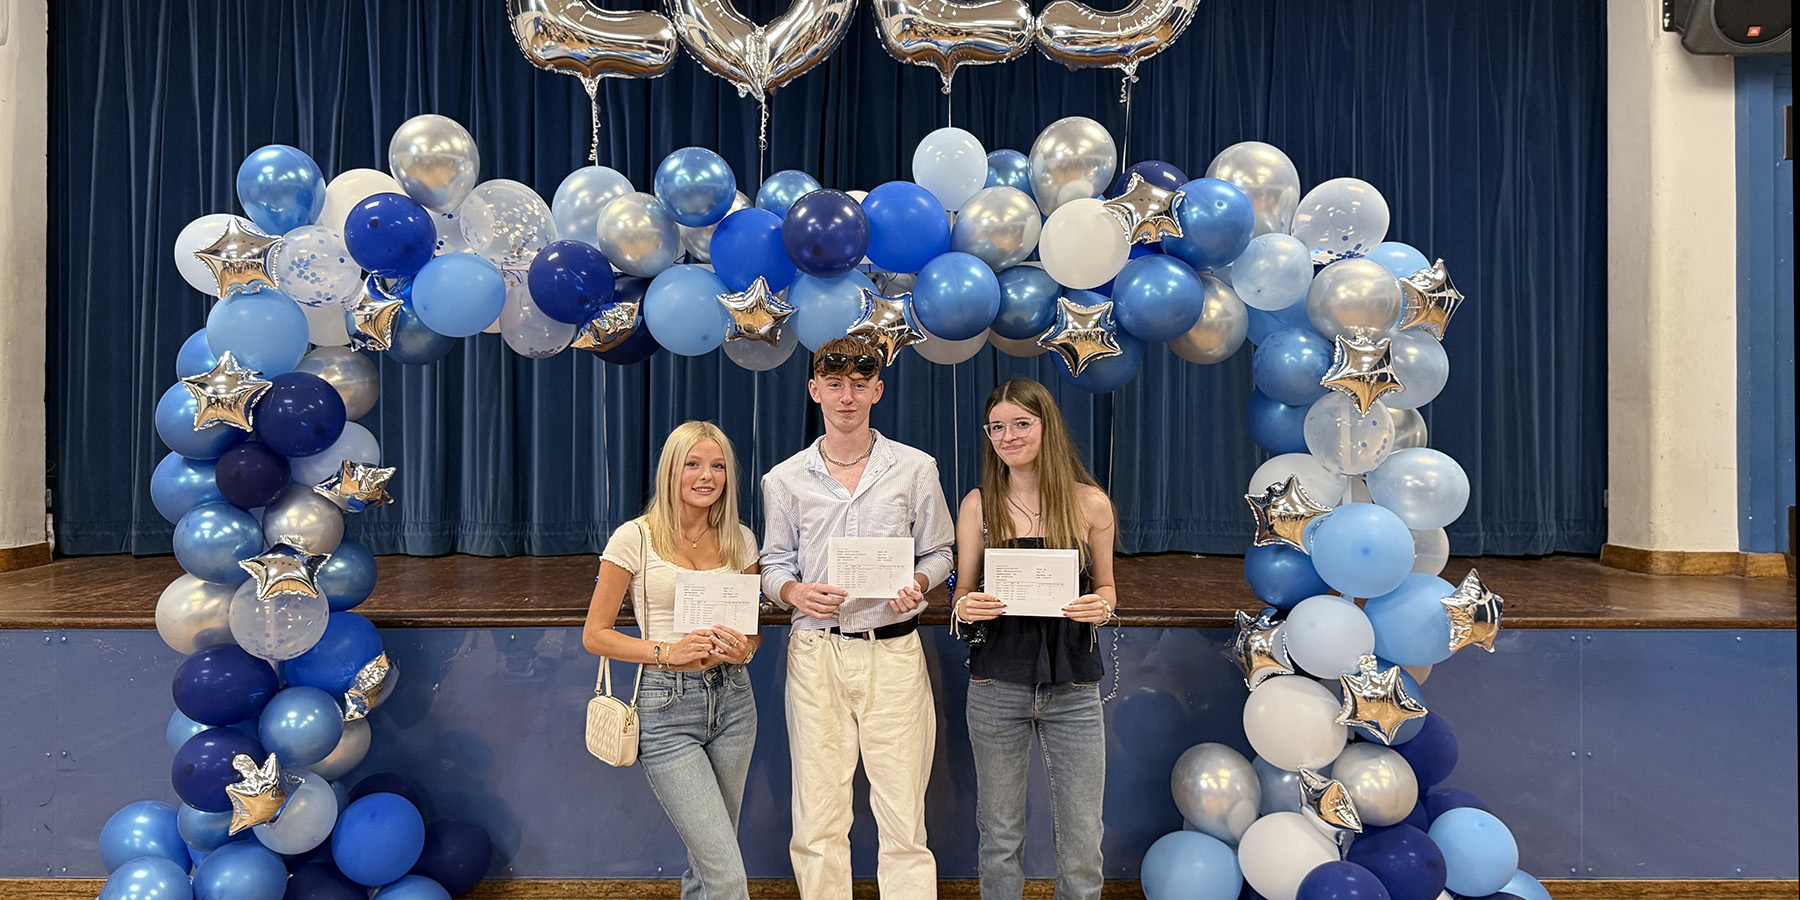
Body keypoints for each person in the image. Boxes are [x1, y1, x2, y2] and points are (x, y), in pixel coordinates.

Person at [759, 336, 955, 900]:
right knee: (818, 817)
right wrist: (794, 592)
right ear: (814, 390)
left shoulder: (915, 469)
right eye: (835, 385)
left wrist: (920, 582)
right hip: (816, 653)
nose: (847, 397)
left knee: (904, 816)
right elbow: (773, 564)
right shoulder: (784, 479)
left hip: (893, 650)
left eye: (859, 385)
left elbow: (940, 552)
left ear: (878, 390)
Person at [951, 376, 1118, 900]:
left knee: (1083, 836)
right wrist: (965, 606)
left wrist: (1102, 606)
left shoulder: (1090, 504)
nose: (1008, 436)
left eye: (1021, 424)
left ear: (1048, 426)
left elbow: (1108, 587)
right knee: (999, 833)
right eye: (996, 427)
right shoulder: (979, 505)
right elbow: (962, 591)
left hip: (1073, 687)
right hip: (996, 684)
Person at [583, 421, 762, 900]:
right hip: (665, 709)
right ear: (670, 470)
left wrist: (744, 649)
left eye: (718, 466)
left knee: (708, 867)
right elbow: (595, 635)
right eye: (693, 464)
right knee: (726, 874)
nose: (707, 476)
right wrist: (668, 652)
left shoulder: (741, 539)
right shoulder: (634, 538)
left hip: (734, 703)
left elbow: (752, 634)